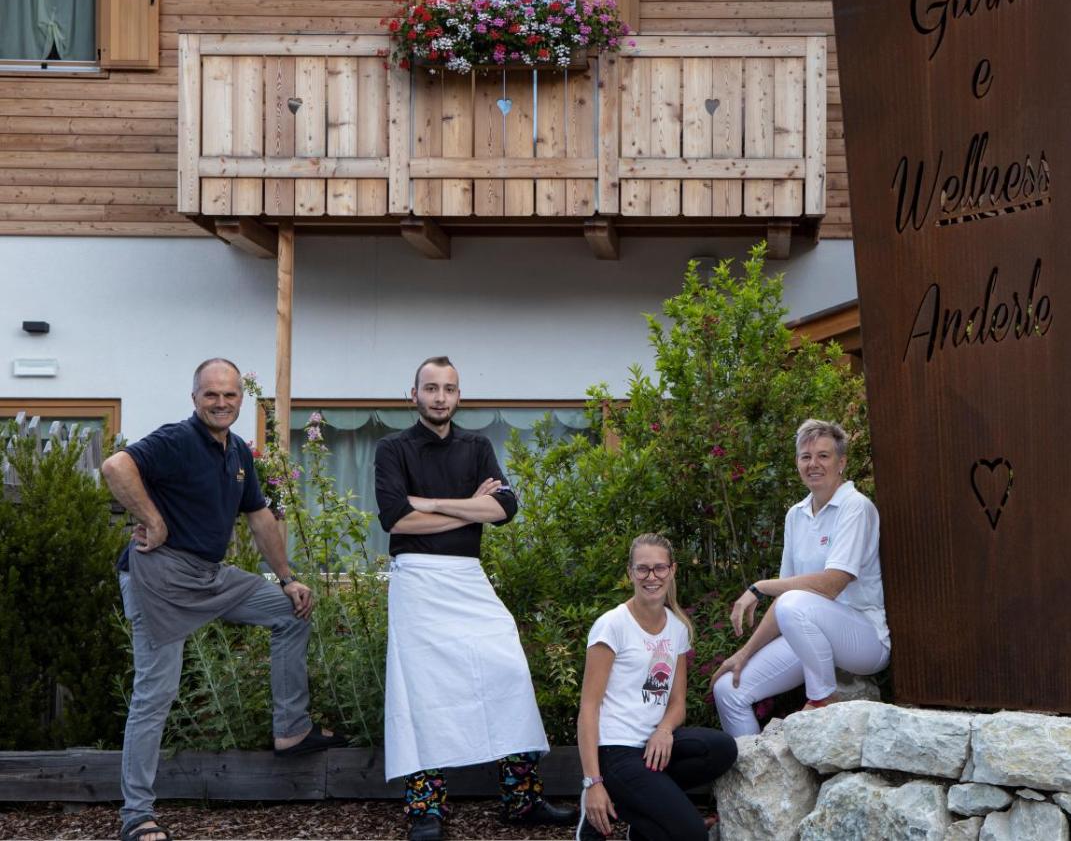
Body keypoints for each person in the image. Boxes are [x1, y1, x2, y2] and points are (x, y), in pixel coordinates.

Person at [102, 358, 346, 841]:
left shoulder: (237, 453)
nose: (221, 403)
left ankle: (291, 729)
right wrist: (153, 519)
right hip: (161, 577)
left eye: (230, 395)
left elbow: (259, 517)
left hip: (210, 574)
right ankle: (137, 813)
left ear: (240, 399)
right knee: (156, 694)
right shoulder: (176, 440)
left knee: (291, 610)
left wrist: (287, 578)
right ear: (195, 398)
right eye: (211, 394)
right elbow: (116, 465)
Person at [374, 356, 575, 841]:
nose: (440, 397)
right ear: (414, 395)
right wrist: (471, 508)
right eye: (431, 388)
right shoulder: (392, 448)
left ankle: (521, 799)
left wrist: (433, 502)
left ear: (459, 395)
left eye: (448, 388)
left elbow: (505, 507)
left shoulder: (477, 445)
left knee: (508, 672)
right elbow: (396, 519)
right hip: (418, 579)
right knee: (421, 693)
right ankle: (426, 810)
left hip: (468, 576)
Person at [711, 419, 889, 736]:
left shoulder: (856, 507)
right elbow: (785, 604)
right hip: (809, 632)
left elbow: (832, 584)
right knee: (728, 689)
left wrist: (760, 587)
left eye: (823, 456)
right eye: (806, 456)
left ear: (841, 463)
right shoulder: (796, 514)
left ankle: (822, 698)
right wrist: (744, 653)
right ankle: (753, 762)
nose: (813, 464)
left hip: (864, 639)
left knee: (793, 602)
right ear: (797, 463)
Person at [576, 533, 737, 841]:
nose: (652, 576)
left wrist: (664, 730)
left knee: (721, 749)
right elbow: (588, 707)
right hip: (616, 750)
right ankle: (613, 800)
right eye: (642, 569)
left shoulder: (677, 628)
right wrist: (592, 782)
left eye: (660, 568)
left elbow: (677, 703)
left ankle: (643, 819)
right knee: (693, 836)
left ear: (672, 570)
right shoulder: (612, 625)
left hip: (653, 747)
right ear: (630, 573)